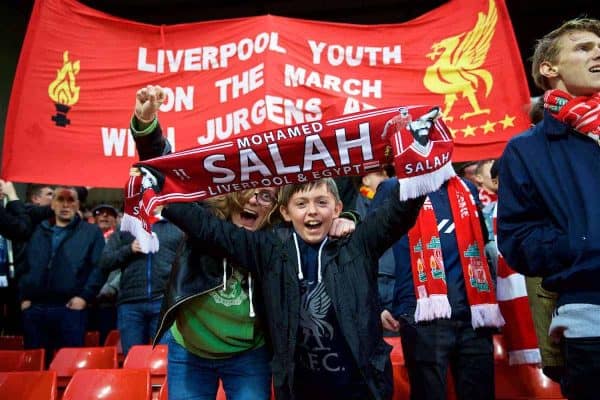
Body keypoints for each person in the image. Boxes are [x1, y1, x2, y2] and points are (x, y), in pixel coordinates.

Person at [130, 85, 357, 400]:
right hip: (190, 352)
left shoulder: (281, 238)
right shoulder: (207, 219)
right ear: (233, 191)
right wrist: (146, 124)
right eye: (248, 190)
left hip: (250, 355)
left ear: (277, 209)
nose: (255, 199)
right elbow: (167, 174)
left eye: (267, 195)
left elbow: (329, 199)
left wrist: (346, 220)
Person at [157, 174, 424, 400]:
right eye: (301, 203)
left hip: (360, 388)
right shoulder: (270, 251)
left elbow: (400, 213)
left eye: (322, 202)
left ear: (337, 207)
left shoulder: (358, 243)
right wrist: (157, 177)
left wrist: (419, 161)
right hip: (301, 390)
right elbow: (205, 226)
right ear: (285, 211)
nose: (312, 211)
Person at [497, 18, 600, 400]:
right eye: (583, 47)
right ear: (548, 69)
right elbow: (518, 238)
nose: (598, 52)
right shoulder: (526, 151)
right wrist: (584, 244)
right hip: (591, 322)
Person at [378, 175, 502, 400]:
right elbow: (375, 245)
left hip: (474, 315)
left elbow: (482, 242)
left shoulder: (467, 188)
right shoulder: (394, 187)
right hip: (422, 315)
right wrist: (384, 299)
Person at [18, 186, 106, 365]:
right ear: (52, 204)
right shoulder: (36, 230)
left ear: (78, 205)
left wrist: (84, 297)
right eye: (60, 199)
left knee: (69, 367)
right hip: (35, 308)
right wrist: (23, 297)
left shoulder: (91, 233)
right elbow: (23, 263)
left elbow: (99, 268)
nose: (65, 205)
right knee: (34, 367)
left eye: (71, 200)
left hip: (70, 308)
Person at [89, 204, 121, 344]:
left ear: (116, 220)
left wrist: (111, 288)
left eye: (109, 214)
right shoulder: (86, 240)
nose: (104, 216)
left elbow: (123, 268)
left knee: (107, 340)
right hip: (86, 299)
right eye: (100, 213)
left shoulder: (121, 239)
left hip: (110, 300)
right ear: (93, 219)